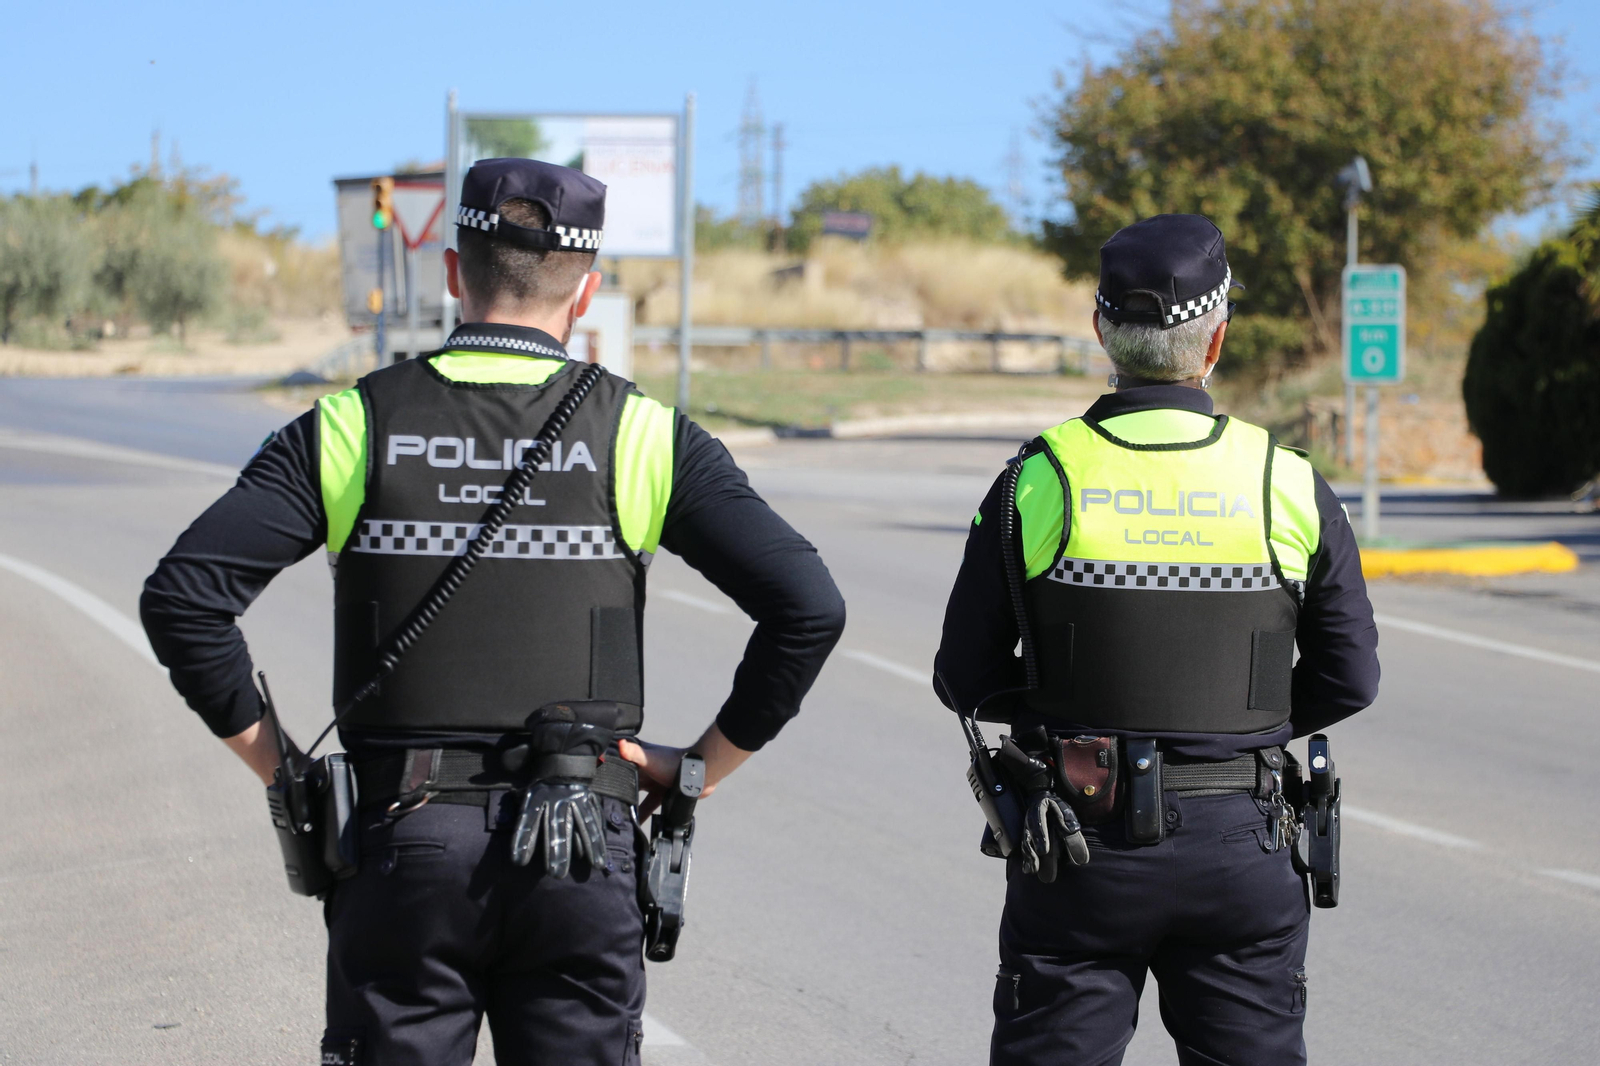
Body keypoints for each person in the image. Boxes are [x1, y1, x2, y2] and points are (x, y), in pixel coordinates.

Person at [141, 158, 846, 1066]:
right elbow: (808, 607)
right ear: (585, 292)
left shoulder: (353, 424)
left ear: (452, 271)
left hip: (403, 848)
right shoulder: (641, 434)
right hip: (584, 848)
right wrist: (697, 769)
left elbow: (183, 598)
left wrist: (284, 775)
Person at [932, 214, 1379, 1066]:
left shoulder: (1038, 476)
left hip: (1076, 847)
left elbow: (964, 679)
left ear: (1101, 330)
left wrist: (1069, 706)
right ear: (1216, 341)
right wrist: (1237, 731)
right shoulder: (1284, 481)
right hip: (1242, 841)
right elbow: (1350, 678)